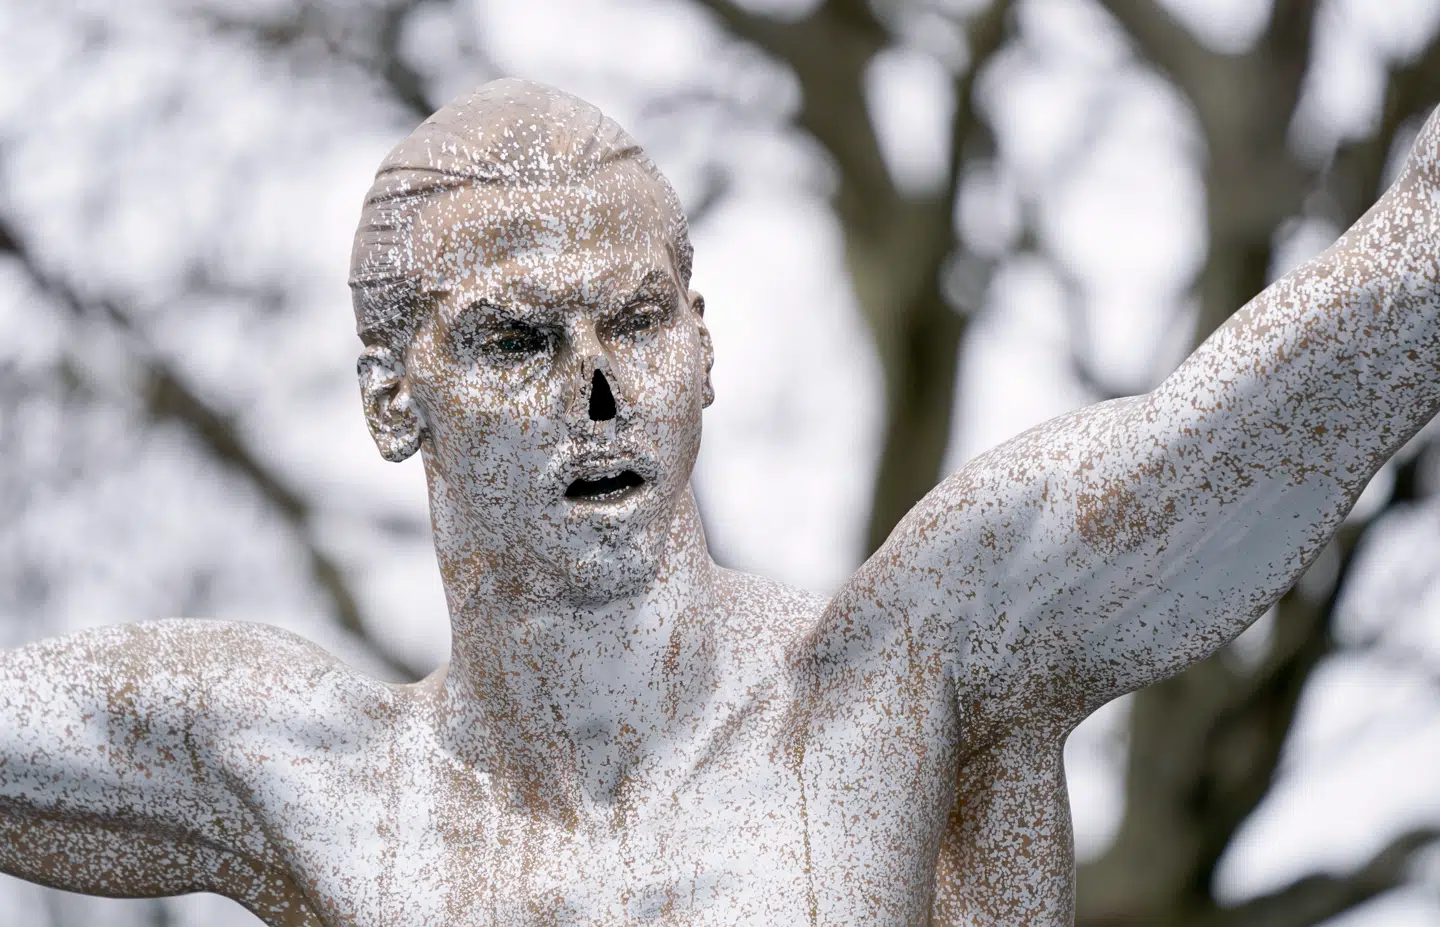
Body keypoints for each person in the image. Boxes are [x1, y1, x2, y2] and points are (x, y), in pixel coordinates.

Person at [0, 78, 1437, 926]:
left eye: (638, 322)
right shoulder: (311, 778)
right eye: (517, 339)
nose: (602, 391)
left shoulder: (900, 674)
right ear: (396, 399)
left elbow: (1306, 381)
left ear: (704, 346)